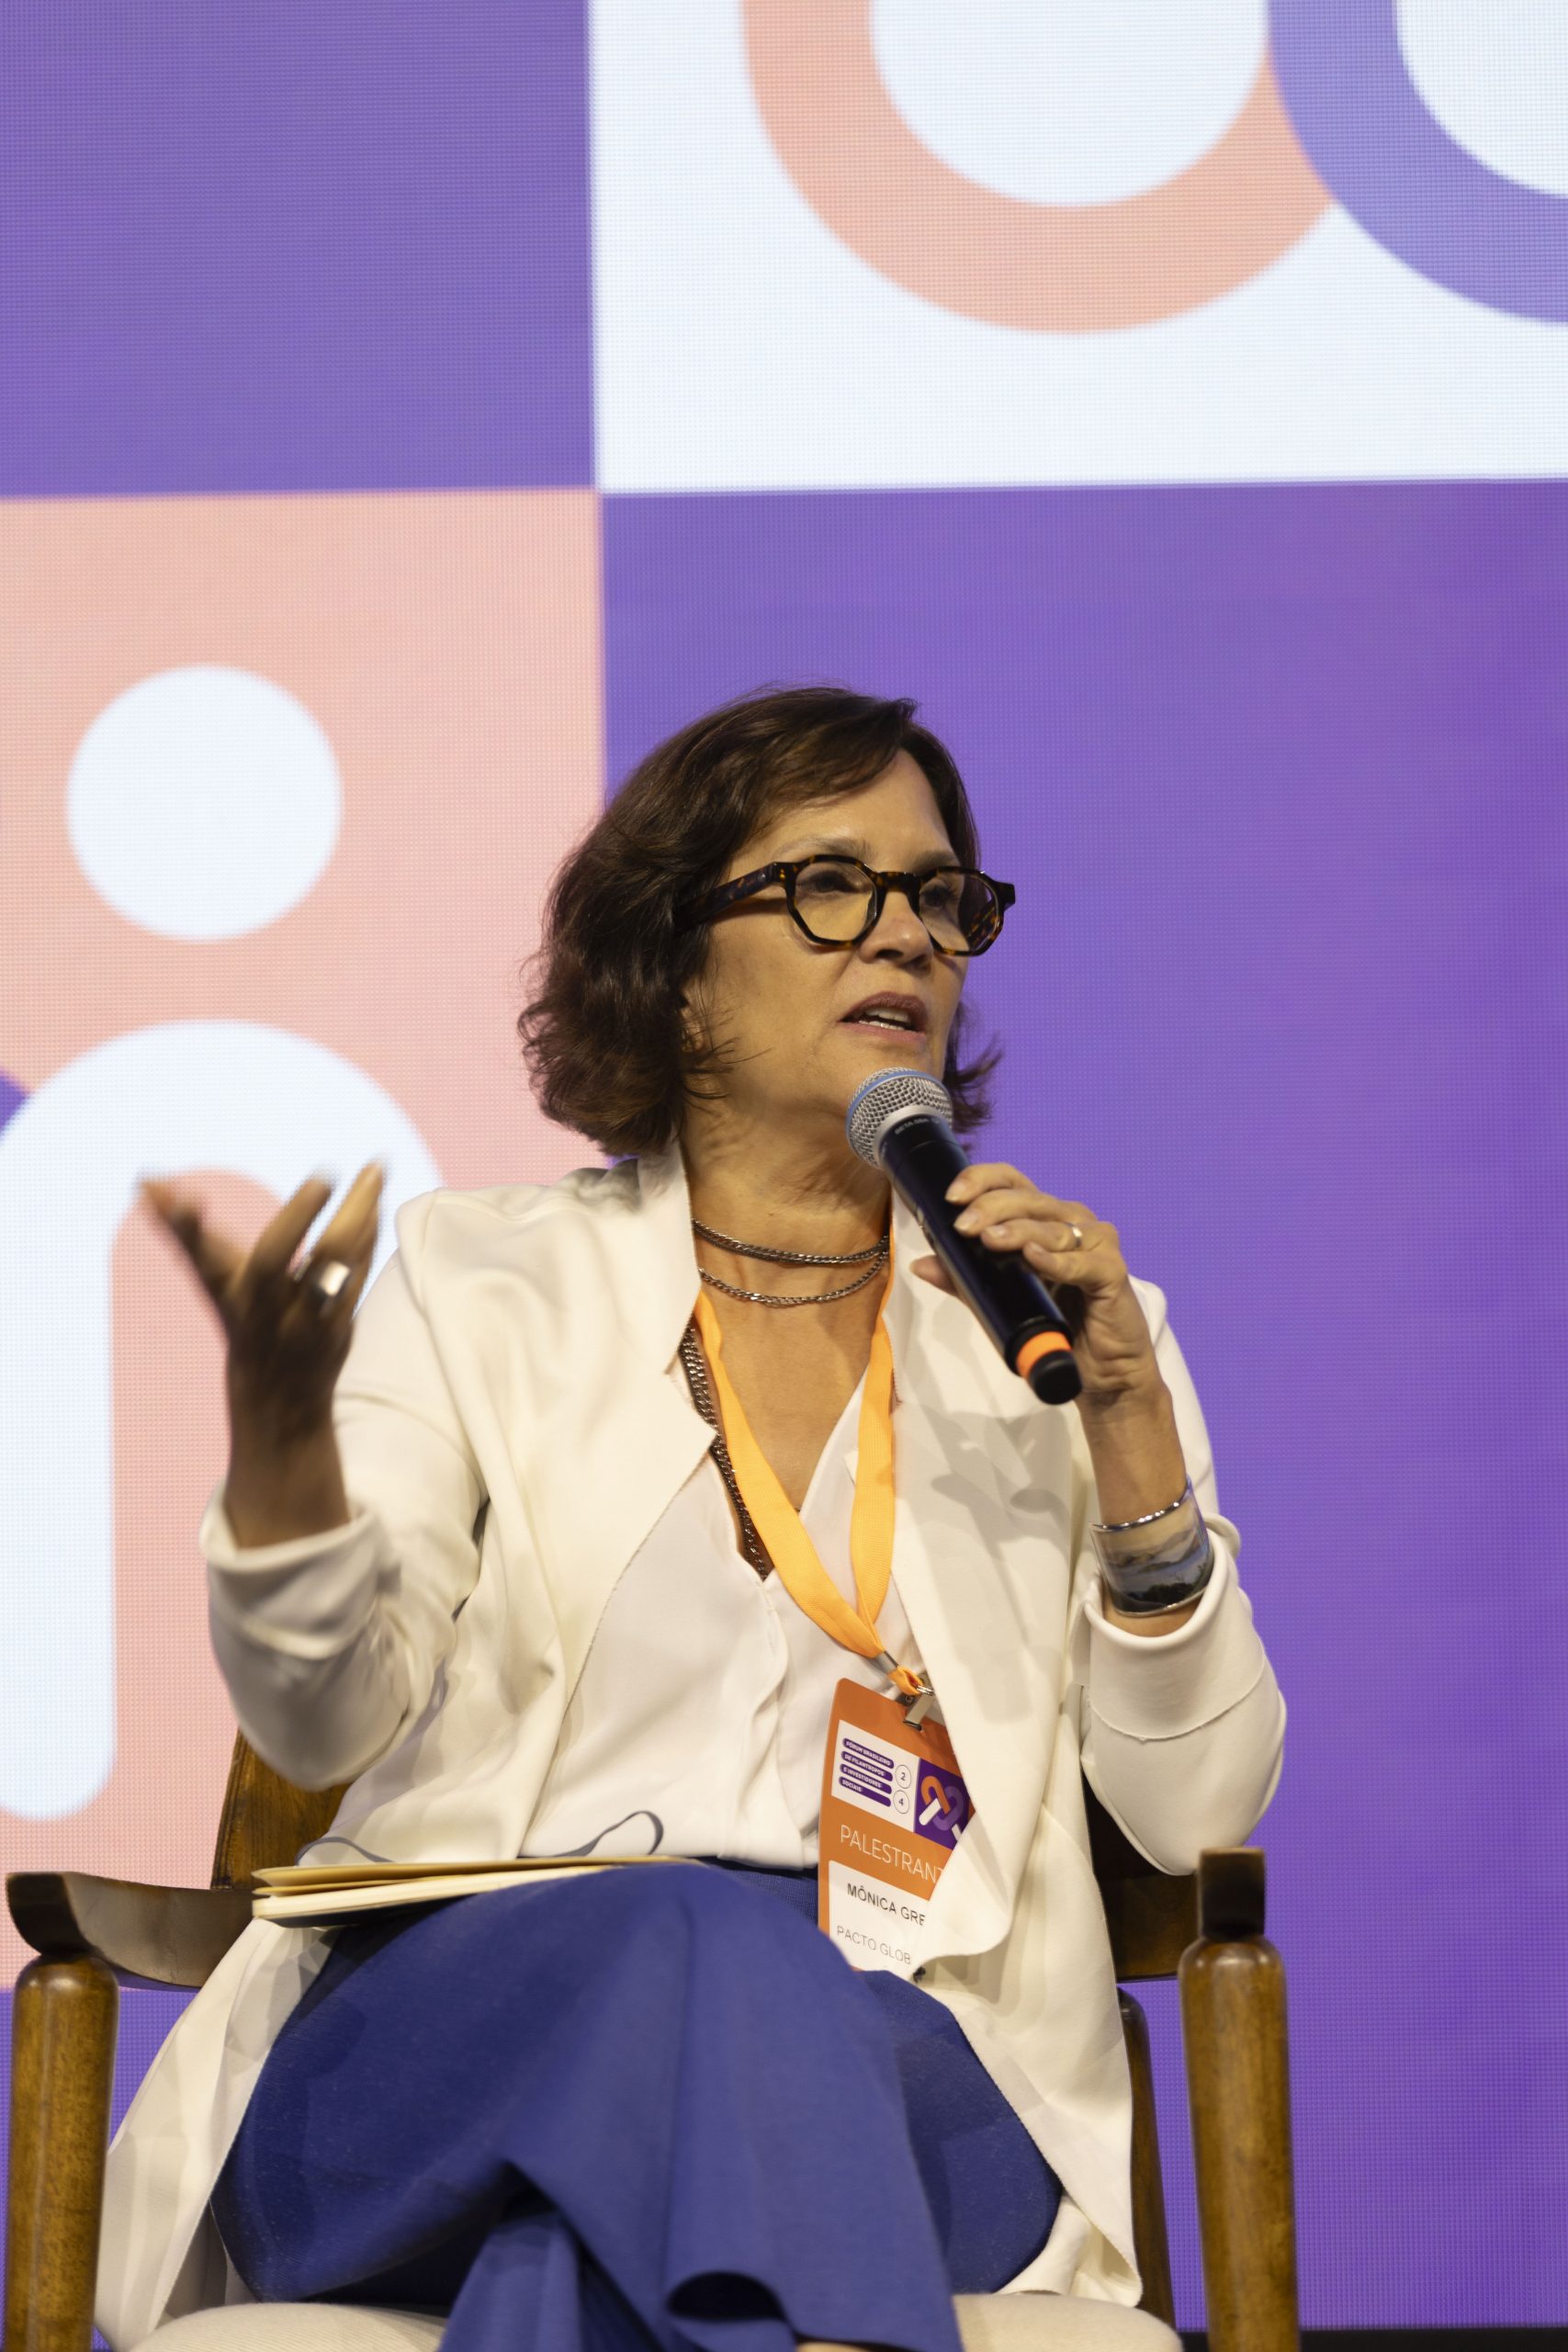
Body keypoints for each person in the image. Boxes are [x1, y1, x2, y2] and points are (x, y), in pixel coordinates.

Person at [107, 687, 1284, 2352]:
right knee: (686, 1946)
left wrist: (1132, 1438)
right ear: (672, 969)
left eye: (940, 896)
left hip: (916, 2061)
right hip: (457, 2037)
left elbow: (1193, 1813)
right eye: (832, 886)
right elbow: (322, 1717)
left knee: (583, 2231)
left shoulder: (1060, 1339)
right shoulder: (483, 1281)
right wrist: (286, 1451)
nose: (908, 934)